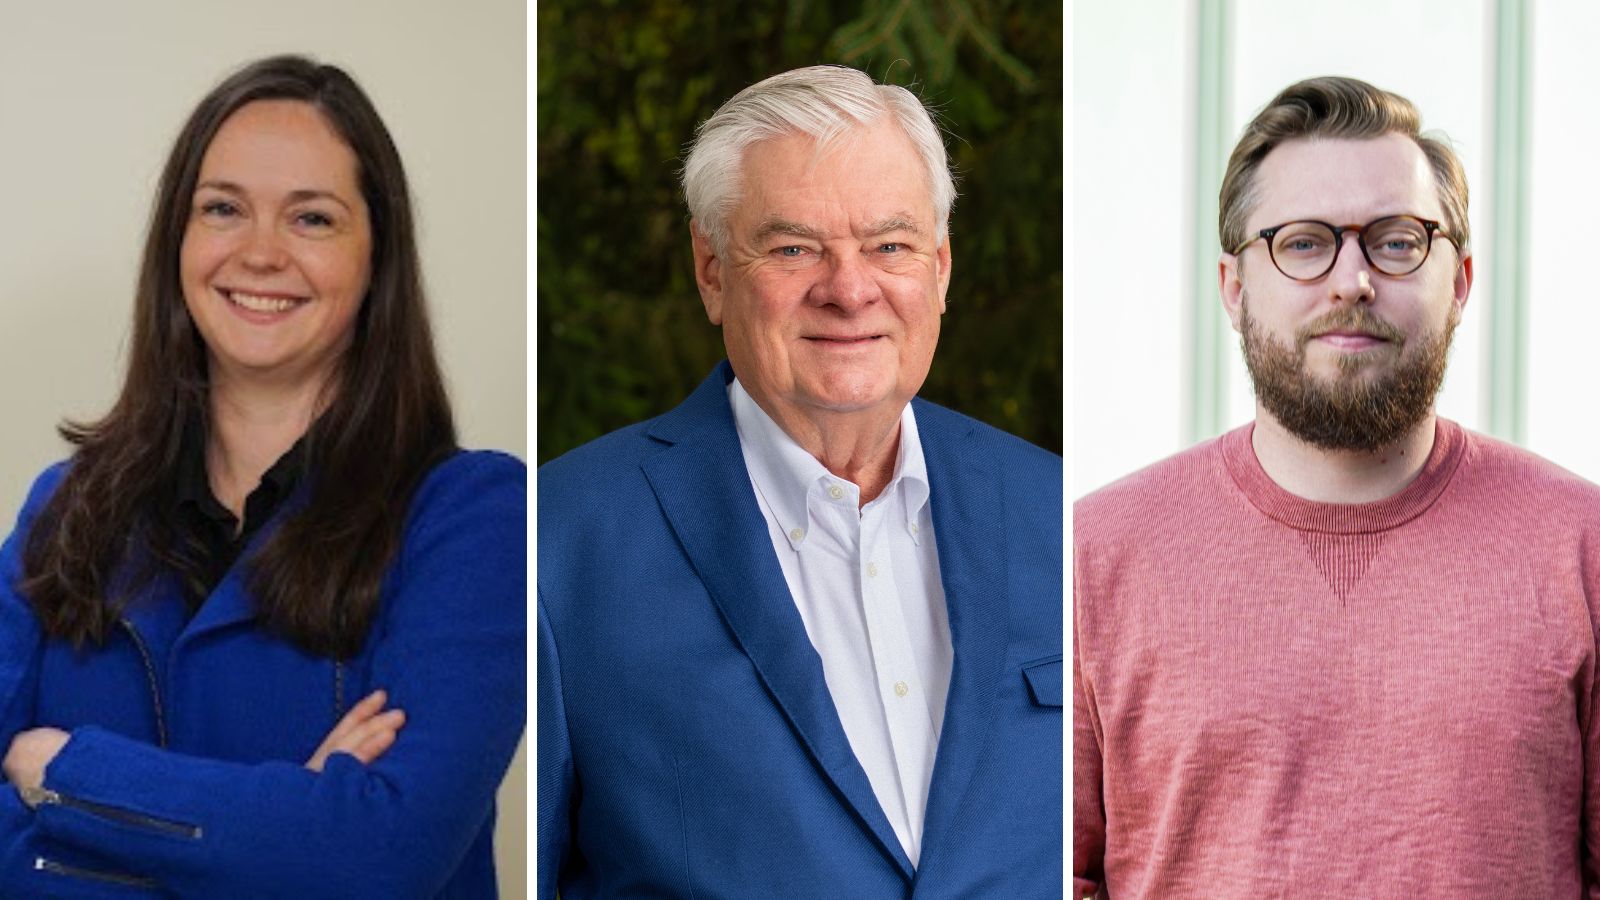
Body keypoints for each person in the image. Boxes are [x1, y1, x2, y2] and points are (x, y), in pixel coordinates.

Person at [0, 56, 525, 897]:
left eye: (312, 219)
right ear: (178, 237)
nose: (260, 252)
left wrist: (60, 770)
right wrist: (289, 826)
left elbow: (382, 857)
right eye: (223, 209)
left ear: (377, 257)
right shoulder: (63, 510)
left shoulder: (475, 520)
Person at [537, 65, 1062, 898]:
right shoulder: (557, 545)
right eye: (793, 248)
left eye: (890, 245)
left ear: (942, 269)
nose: (850, 289)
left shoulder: (1061, 514)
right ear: (712, 272)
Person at [1074, 75, 1600, 897]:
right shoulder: (1090, 560)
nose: (1351, 279)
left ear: (1459, 281)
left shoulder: (1583, 548)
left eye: (1395, 241)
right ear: (1235, 287)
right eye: (1304, 241)